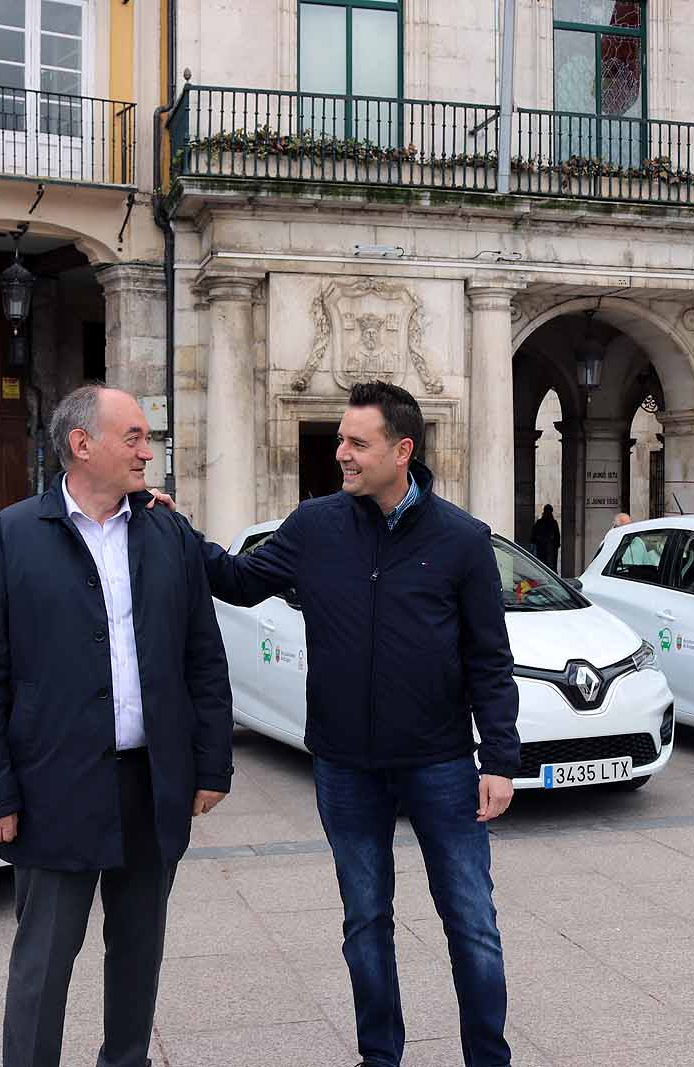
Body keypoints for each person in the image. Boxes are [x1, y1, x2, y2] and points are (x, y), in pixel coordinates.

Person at [193, 380, 520, 1067]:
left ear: (402, 451)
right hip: (344, 763)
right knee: (365, 921)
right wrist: (169, 528)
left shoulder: (461, 540)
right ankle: (380, 1057)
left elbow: (489, 659)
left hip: (439, 762)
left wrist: (499, 757)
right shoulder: (315, 526)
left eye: (356, 442)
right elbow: (239, 579)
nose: (340, 452)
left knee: (472, 923)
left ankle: (488, 1058)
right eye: (341, 439)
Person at [0, 384, 235, 1067]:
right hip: (53, 786)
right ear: (83, 444)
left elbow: (204, 656)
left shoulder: (168, 534)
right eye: (134, 436)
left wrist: (211, 764)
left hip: (151, 782)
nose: (148, 450)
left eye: (147, 437)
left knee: (139, 950)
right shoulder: (9, 538)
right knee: (44, 962)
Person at [529, 504, 560, 571]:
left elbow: (557, 538)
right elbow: (534, 536)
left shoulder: (551, 523)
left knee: (548, 565)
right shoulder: (549, 523)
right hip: (544, 548)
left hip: (548, 548)